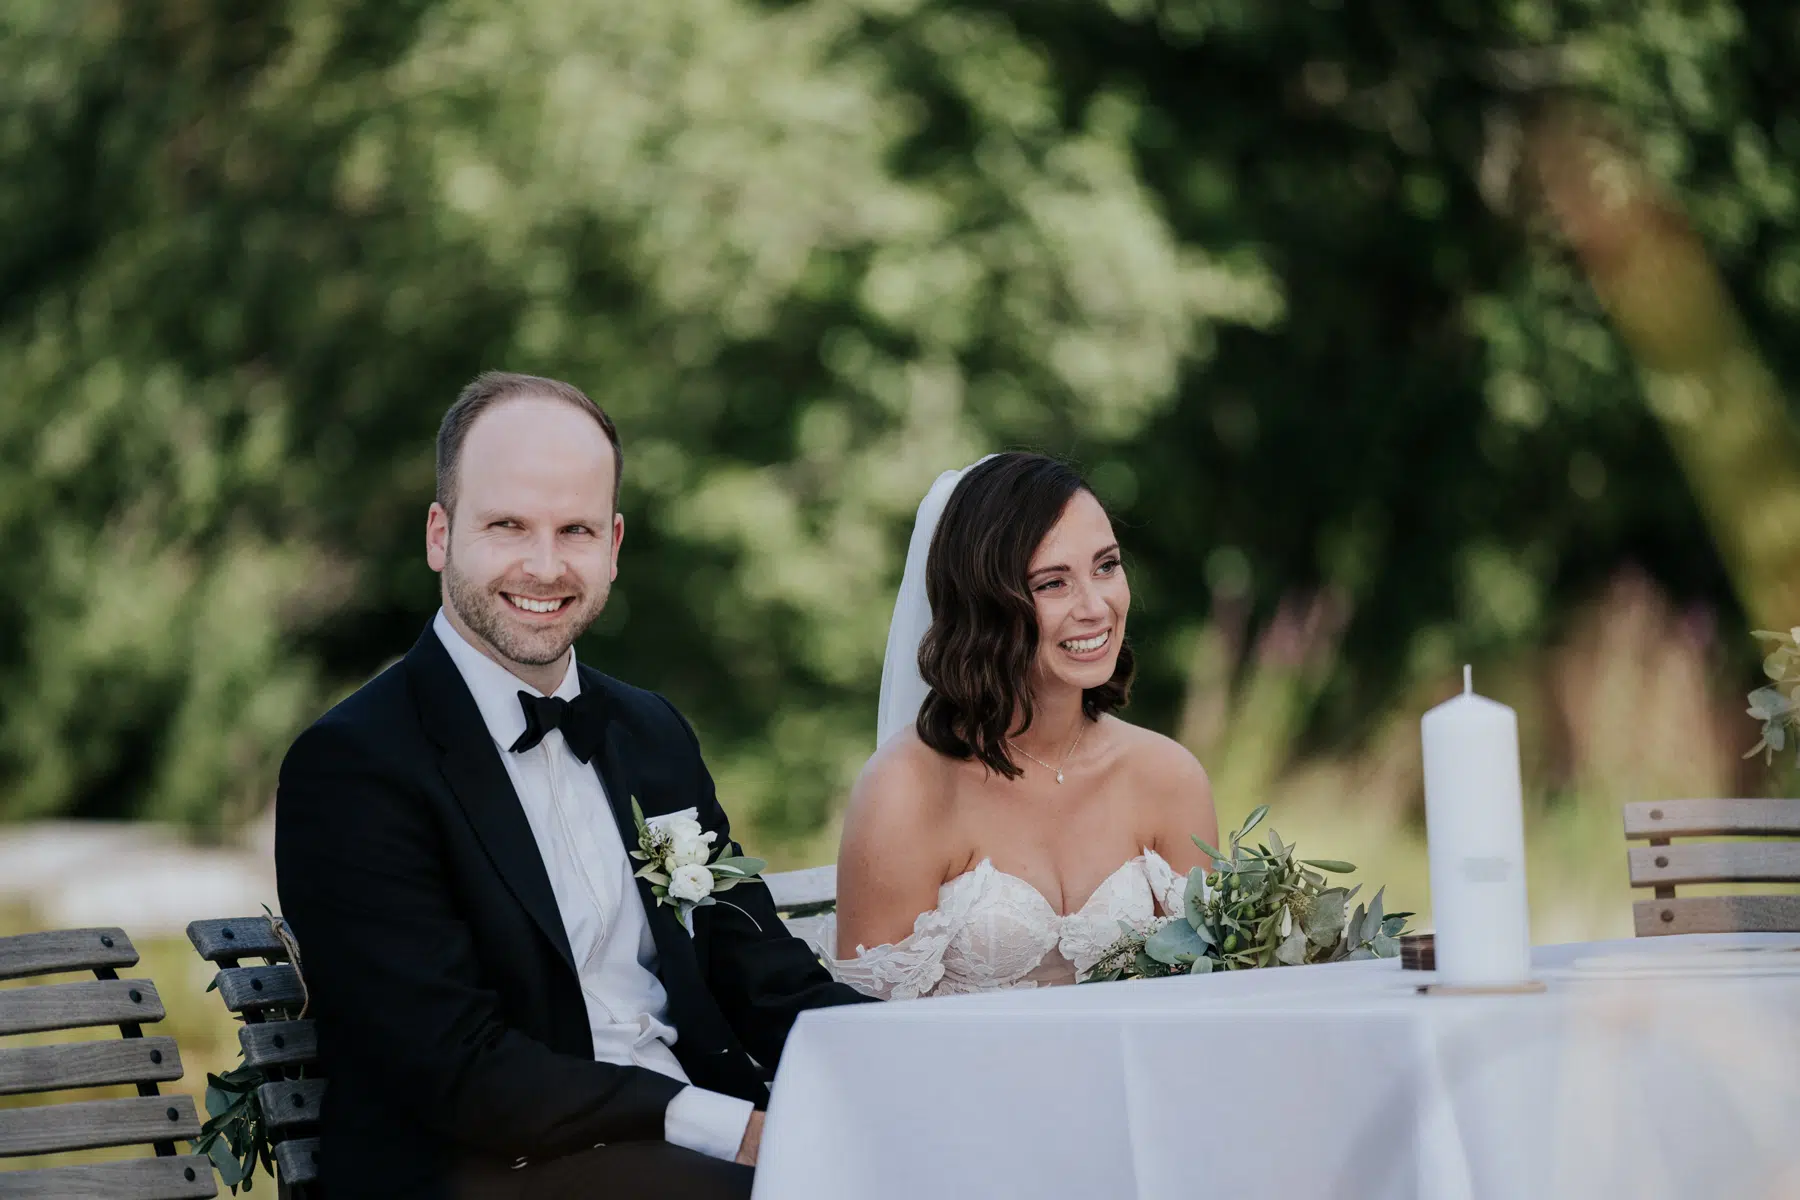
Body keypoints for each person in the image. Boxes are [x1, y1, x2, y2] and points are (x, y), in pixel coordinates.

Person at [275, 372, 869, 1200]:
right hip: (485, 1175)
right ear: (440, 535)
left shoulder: (651, 733)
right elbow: (455, 1068)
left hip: (692, 1160)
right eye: (508, 525)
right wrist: (726, 1127)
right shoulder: (353, 767)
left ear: (614, 546)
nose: (546, 566)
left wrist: (916, 1061)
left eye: (576, 530)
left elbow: (760, 970)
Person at [828, 452, 1220, 998]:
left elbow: (1207, 993)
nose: (1096, 606)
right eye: (1053, 583)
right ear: (984, 604)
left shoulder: (1168, 775)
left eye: (1106, 566)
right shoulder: (907, 789)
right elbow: (869, 1028)